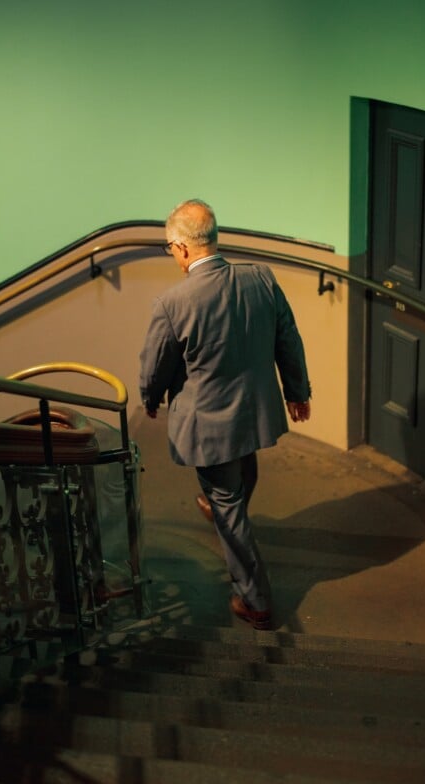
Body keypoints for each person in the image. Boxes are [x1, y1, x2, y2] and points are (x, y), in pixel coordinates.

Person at [139, 199, 311, 629]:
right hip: (253, 414)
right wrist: (297, 391)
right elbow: (288, 338)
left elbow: (154, 366)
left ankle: (256, 601)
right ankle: (219, 504)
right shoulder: (260, 279)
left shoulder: (173, 303)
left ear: (180, 248)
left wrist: (150, 397)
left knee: (229, 509)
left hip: (210, 427)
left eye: (168, 248)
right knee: (241, 477)